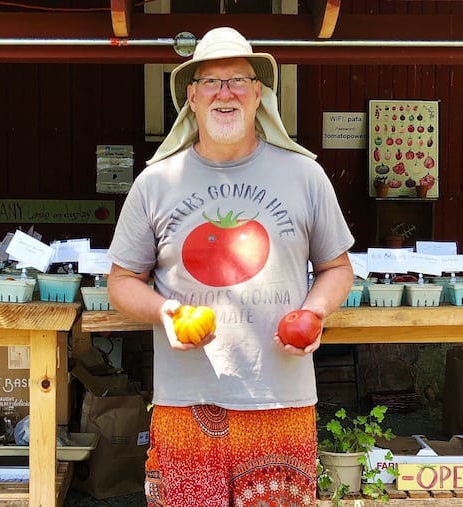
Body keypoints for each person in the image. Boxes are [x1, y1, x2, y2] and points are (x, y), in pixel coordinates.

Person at [107, 27, 355, 507]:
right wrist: (166, 313)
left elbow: (335, 267)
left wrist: (316, 312)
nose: (226, 92)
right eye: (212, 82)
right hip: (186, 403)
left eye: (238, 80)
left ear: (258, 94)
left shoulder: (306, 175)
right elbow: (120, 282)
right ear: (192, 98)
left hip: (281, 399)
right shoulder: (154, 183)